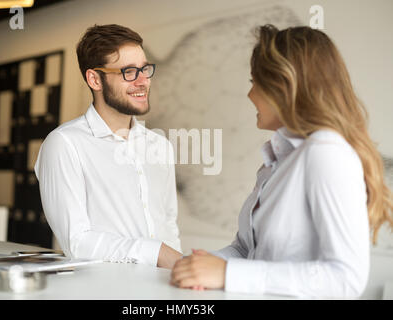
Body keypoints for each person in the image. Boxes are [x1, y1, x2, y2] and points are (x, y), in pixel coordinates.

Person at [170, 24, 393, 298]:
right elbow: (246, 249)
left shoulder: (327, 153)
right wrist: (203, 263)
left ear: (283, 86)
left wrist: (227, 274)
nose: (250, 94)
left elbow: (346, 279)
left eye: (254, 82)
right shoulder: (278, 161)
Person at [35, 24, 182, 269]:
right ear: (95, 79)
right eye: (129, 72)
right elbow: (77, 242)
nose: (143, 81)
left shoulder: (160, 145)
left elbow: (168, 224)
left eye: (145, 69)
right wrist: (156, 253)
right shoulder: (64, 144)